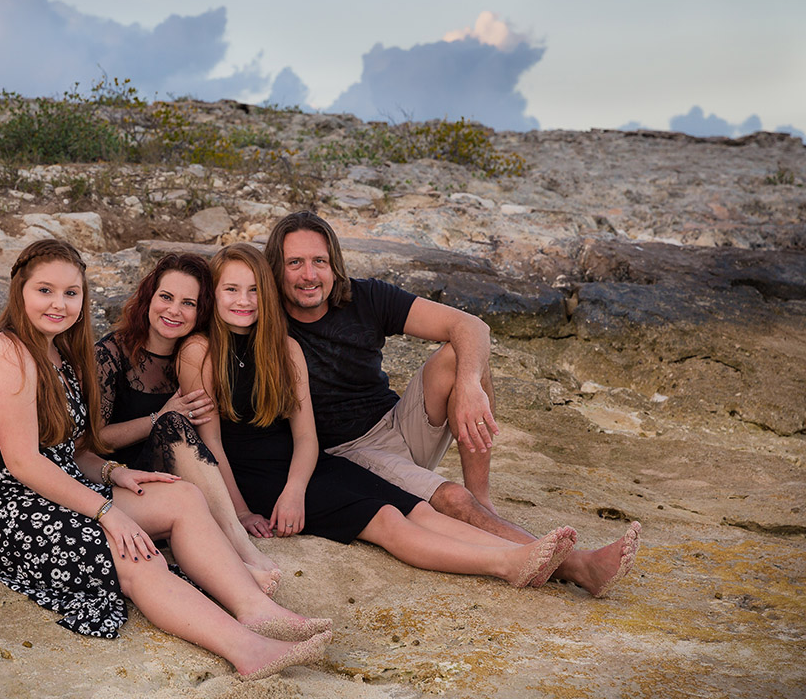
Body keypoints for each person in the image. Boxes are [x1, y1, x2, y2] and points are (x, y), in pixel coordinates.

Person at [0, 239, 331, 681]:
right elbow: (25, 464)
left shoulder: (59, 352)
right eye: (45, 291)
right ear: (19, 291)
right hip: (0, 510)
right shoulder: (7, 354)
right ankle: (248, 650)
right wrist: (107, 512)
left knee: (183, 497)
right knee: (138, 554)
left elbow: (69, 451)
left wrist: (115, 472)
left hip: (55, 491)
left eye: (71, 293)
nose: (59, 304)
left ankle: (255, 609)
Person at [264, 211, 641, 597]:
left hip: (398, 421)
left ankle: (482, 500)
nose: (309, 275)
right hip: (352, 452)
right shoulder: (268, 323)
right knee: (452, 499)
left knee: (462, 356)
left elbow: (472, 326)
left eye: (319, 261)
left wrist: (469, 385)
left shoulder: (365, 296)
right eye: (295, 263)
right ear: (276, 268)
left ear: (334, 265)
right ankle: (579, 567)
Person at [177, 242, 577, 588]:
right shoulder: (200, 352)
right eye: (231, 289)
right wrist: (242, 512)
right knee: (387, 521)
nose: (244, 300)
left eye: (254, 290)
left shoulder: (284, 349)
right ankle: (505, 563)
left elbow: (306, 436)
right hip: (255, 481)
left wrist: (296, 487)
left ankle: (522, 551)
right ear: (214, 294)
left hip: (307, 467)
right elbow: (210, 446)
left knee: (417, 509)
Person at [94, 253, 282, 593]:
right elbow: (93, 441)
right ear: (149, 297)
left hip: (178, 483)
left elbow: (210, 440)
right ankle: (238, 551)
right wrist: (158, 417)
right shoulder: (110, 354)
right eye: (166, 297)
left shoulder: (195, 353)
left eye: (188, 303)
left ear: (201, 310)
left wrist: (242, 511)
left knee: (176, 426)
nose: (174, 311)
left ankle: (234, 548)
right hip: (121, 484)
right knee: (172, 423)